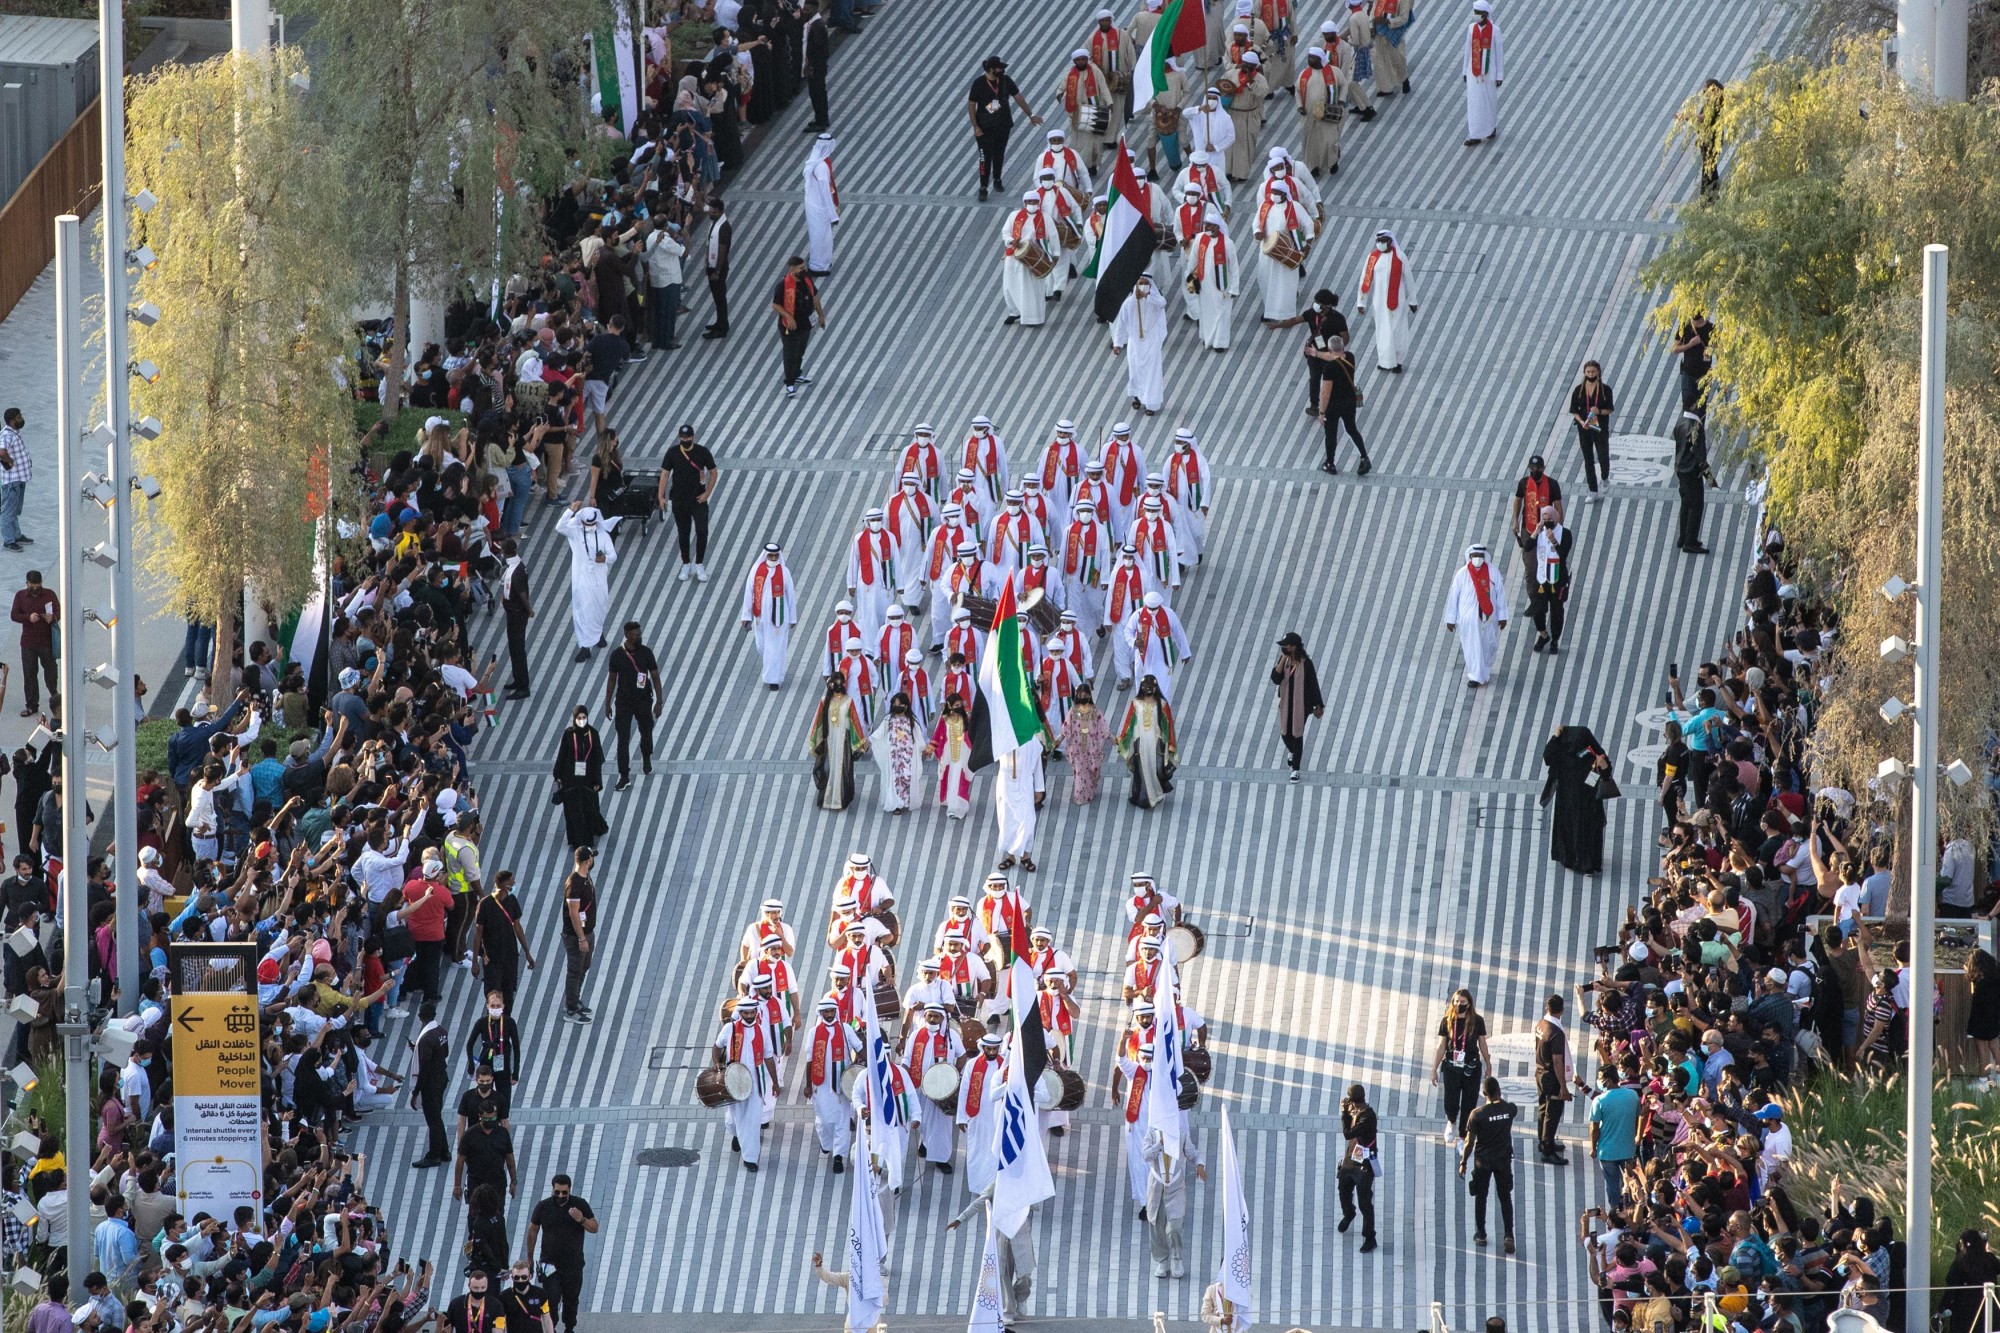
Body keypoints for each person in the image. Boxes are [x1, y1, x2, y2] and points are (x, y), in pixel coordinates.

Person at [526, 1174, 598, 1333]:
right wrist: (530, 1258)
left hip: (573, 1264)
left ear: (569, 1190)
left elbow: (594, 1227)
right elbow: (533, 1231)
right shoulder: (543, 1207)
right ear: (552, 1189)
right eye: (557, 1192)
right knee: (551, 1299)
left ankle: (569, 1327)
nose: (560, 1196)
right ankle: (552, 1328)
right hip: (549, 1264)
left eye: (564, 1192)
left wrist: (581, 1220)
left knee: (571, 1299)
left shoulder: (579, 1204)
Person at [1539, 724, 1613, 874]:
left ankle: (1570, 858)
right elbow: (1606, 772)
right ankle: (1587, 863)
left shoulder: (1562, 751)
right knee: (1587, 831)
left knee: (1569, 829)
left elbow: (1547, 756)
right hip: (1588, 800)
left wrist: (1555, 737)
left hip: (1568, 800)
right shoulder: (1591, 752)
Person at [968, 55, 1042, 200]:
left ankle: (997, 179)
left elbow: (1018, 97)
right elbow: (971, 105)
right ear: (990, 69)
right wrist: (975, 126)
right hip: (984, 128)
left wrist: (1030, 114)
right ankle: (983, 188)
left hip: (1003, 125)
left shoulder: (1005, 80)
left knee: (999, 154)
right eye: (999, 68)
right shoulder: (979, 83)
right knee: (985, 157)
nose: (1002, 69)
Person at [1459, 1077, 1518, 1253]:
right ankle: (1508, 1235)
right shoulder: (1510, 1109)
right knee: (1505, 1197)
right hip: (1503, 1160)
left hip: (1482, 1162)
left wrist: (1463, 1162)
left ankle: (1481, 1234)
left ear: (1484, 1093)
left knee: (1481, 1197)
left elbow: (1469, 1143)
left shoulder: (1477, 1115)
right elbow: (1508, 1107)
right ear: (1499, 1090)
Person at [602, 621, 663, 790]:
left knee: (646, 731)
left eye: (640, 633)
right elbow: (612, 679)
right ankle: (624, 775)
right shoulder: (617, 655)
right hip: (623, 702)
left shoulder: (646, 653)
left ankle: (646, 756)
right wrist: (607, 703)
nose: (639, 636)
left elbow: (655, 677)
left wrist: (659, 701)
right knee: (622, 739)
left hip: (643, 700)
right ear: (627, 635)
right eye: (636, 634)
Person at [553, 504, 616, 664]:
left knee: (599, 607)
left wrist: (605, 559)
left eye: (593, 524)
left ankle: (598, 633)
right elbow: (560, 526)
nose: (591, 527)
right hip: (581, 580)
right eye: (587, 524)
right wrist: (571, 510)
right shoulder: (575, 533)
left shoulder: (603, 535)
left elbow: (613, 555)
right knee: (582, 611)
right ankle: (585, 647)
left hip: (598, 580)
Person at [657, 424, 718, 581]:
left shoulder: (702, 452)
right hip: (679, 499)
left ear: (693, 437)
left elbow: (713, 472)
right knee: (683, 532)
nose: (685, 440)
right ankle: (685, 563)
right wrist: (661, 496)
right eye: (682, 438)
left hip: (698, 499)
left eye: (688, 437)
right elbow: (664, 474)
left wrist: (707, 493)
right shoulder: (672, 453)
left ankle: (699, 564)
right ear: (679, 437)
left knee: (702, 530)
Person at [1442, 545, 1507, 687]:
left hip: (1490, 616)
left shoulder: (1493, 572)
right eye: (1475, 555)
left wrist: (1503, 616)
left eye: (1480, 555)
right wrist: (1451, 619)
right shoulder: (1462, 574)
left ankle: (1484, 669)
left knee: (1490, 644)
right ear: (1470, 557)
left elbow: (1500, 594)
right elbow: (1454, 597)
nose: (1477, 558)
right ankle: (1475, 676)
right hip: (1468, 617)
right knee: (1472, 645)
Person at [1432, 988, 1491, 1139]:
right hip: (1452, 1066)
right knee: (1450, 1100)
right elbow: (1441, 1045)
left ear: (1469, 1003)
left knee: (1469, 1102)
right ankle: (1451, 1121)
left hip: (1471, 1066)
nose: (1459, 1004)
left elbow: (1482, 1044)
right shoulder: (1447, 1020)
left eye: (1463, 1002)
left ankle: (1463, 1135)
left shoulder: (1477, 1021)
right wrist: (1434, 1068)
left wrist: (1488, 1064)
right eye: (1456, 1001)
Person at [1356, 229, 1416, 373]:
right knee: (1383, 331)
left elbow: (1409, 279)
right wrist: (1361, 302)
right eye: (1378, 241)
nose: (1380, 244)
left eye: (1383, 241)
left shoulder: (1400, 257)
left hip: (1397, 302)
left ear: (1390, 241)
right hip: (1379, 302)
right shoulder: (1372, 257)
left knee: (1397, 331)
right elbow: (1365, 279)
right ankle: (1385, 361)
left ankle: (1398, 361)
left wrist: (1412, 300)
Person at [808, 672, 868, 811]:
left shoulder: (848, 701)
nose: (838, 685)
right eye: (835, 683)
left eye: (840, 682)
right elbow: (818, 722)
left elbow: (855, 722)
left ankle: (839, 798)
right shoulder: (824, 701)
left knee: (841, 768)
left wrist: (860, 740)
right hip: (829, 739)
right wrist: (815, 739)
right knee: (828, 766)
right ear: (829, 685)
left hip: (843, 739)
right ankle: (828, 796)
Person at [1111, 273, 1170, 416]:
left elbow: (1162, 303)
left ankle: (1151, 403)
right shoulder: (1129, 303)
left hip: (1151, 343)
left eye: (1145, 283)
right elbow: (1121, 324)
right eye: (1140, 283)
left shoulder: (1155, 301)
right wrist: (1118, 343)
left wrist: (1147, 296)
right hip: (1135, 344)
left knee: (1152, 373)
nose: (1142, 286)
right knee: (1135, 371)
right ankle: (1137, 395)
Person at [741, 542, 798, 687]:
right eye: (770, 555)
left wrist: (792, 618)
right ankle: (773, 669)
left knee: (774, 647)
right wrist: (746, 616)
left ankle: (773, 680)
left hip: (779, 616)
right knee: (762, 646)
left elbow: (790, 595)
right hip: (760, 616)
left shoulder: (784, 572)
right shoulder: (756, 570)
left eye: (775, 555)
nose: (773, 558)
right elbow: (749, 593)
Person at [1117, 674, 1178, 808]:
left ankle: (1157, 793)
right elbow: (1129, 722)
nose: (1148, 689)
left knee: (1156, 768)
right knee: (1142, 769)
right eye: (1145, 686)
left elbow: (1168, 725)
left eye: (1151, 686)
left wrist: (1171, 743)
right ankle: (1143, 798)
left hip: (1156, 743)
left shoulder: (1162, 704)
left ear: (1156, 688)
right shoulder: (1136, 703)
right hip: (1140, 742)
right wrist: (1122, 737)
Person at [551, 706, 607, 850]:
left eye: (584, 717)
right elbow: (562, 755)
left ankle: (596, 827)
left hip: (588, 779)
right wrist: (557, 775)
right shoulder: (569, 735)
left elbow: (597, 759)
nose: (581, 721)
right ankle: (579, 840)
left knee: (590, 807)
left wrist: (597, 781)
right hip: (571, 778)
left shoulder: (593, 734)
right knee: (573, 810)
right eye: (579, 718)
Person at [1271, 631, 1324, 781]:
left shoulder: (1306, 663)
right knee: (1284, 733)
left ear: (1294, 647)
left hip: (1302, 705)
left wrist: (1318, 705)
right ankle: (1293, 751)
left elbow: (1313, 684)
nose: (1284, 648)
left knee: (1297, 733)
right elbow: (1275, 678)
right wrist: (1282, 660)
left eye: (1286, 646)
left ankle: (1295, 769)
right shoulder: (1285, 661)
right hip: (1286, 703)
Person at [771, 255, 827, 397]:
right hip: (789, 327)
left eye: (804, 267)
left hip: (805, 324)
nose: (804, 270)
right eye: (801, 268)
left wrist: (821, 315)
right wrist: (788, 316)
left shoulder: (806, 279)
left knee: (800, 350)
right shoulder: (783, 285)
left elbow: (815, 297)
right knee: (790, 353)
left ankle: (797, 374)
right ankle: (789, 384)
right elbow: (775, 305)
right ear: (792, 268)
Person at [1314, 335, 1370, 474]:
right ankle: (1364, 457)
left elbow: (1325, 393)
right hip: (1349, 401)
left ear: (1329, 348)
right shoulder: (1350, 357)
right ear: (1343, 347)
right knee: (1351, 429)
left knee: (1331, 434)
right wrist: (1317, 354)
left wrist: (1321, 412)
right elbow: (1335, 357)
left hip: (1333, 405)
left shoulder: (1329, 368)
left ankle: (1330, 463)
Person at [1184, 211, 1239, 350]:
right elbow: (1193, 260)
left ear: (1217, 226)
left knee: (1222, 313)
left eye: (1210, 225)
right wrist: (1190, 279)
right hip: (1204, 285)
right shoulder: (1200, 238)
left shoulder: (1227, 243)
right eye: (1206, 224)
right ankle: (1207, 337)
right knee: (1206, 312)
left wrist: (1234, 288)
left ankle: (1220, 343)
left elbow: (1234, 268)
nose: (1207, 227)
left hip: (1222, 286)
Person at [1587, 1063, 1639, 1208]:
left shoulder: (1600, 1100)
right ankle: (1632, 1209)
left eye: (1600, 1078)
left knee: (1612, 1185)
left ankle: (1615, 1211)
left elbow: (1594, 1128)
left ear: (1608, 1080)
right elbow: (1636, 1117)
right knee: (1630, 1181)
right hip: (1628, 1149)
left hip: (1607, 1151)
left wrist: (1593, 1147)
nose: (1599, 1081)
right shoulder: (1632, 1095)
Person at [1525, 506, 1574, 654]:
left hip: (1557, 578)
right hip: (1541, 578)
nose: (1547, 522)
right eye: (1544, 519)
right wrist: (1536, 532)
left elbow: (1563, 555)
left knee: (1556, 610)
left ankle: (1555, 640)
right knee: (1538, 609)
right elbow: (1527, 547)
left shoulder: (1565, 533)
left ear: (1556, 518)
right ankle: (1543, 634)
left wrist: (1553, 541)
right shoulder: (1540, 532)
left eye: (1549, 519)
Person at [1001, 191, 1055, 326]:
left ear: (1038, 203)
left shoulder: (1045, 218)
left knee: (1031, 287)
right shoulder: (1014, 216)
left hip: (1034, 256)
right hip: (1014, 255)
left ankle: (1032, 318)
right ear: (1025, 203)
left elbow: (1053, 237)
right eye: (1029, 202)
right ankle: (1015, 312)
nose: (1032, 204)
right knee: (1009, 285)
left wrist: (1055, 254)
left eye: (1035, 202)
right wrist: (1011, 240)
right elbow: (1006, 232)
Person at [1337, 1083, 1379, 1252]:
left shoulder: (1368, 1117)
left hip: (1364, 1164)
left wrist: (1344, 1113)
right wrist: (1349, 1111)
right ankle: (1349, 1213)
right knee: (1343, 1190)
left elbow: (1348, 1133)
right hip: (1350, 1159)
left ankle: (1370, 1237)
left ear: (1354, 1102)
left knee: (1365, 1202)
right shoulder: (1357, 1110)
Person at [11, 571, 58, 718]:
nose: (35, 589)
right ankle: (32, 705)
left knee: (51, 671)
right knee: (30, 674)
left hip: (46, 641)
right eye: (32, 586)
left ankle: (55, 697)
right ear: (27, 584)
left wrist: (53, 617)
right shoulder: (20, 596)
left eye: (38, 586)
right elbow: (14, 615)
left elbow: (58, 610)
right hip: (28, 643)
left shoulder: (49, 594)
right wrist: (27, 617)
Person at [995, 737, 1045, 872]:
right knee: (1007, 820)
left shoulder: (1030, 739)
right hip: (1006, 785)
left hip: (1024, 785)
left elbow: (1037, 763)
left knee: (1027, 821)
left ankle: (1025, 856)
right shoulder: (1003, 735)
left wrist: (1039, 788)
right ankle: (1010, 856)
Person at [410, 999, 451, 1168]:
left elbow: (424, 1068)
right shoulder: (441, 1031)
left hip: (431, 1083)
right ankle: (444, 1150)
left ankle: (434, 1155)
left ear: (420, 1017)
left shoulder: (425, 1038)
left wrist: (415, 1091)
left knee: (433, 1120)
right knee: (437, 1117)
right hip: (441, 1077)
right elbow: (444, 1052)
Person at [560, 846, 598, 1024]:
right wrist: (582, 938)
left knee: (584, 966)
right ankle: (571, 1009)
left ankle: (575, 999)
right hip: (577, 936)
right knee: (575, 971)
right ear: (587, 860)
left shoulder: (585, 877)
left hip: (587, 932)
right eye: (592, 858)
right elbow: (574, 914)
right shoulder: (574, 884)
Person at [1531, 993, 1571, 1164]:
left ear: (1547, 1008)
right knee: (1552, 1113)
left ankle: (1544, 1141)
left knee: (1543, 1109)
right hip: (1551, 1077)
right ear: (1562, 1010)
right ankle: (1547, 1150)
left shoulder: (1542, 1024)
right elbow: (1557, 1060)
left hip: (1540, 1072)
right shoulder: (1556, 1032)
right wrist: (1563, 1086)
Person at [1568, 361, 1615, 499]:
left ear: (1598, 372)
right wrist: (1581, 422)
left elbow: (1610, 410)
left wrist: (1599, 411)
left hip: (1600, 428)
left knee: (1602, 456)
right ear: (1584, 373)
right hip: (1585, 428)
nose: (1591, 374)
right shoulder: (1578, 390)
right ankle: (1593, 490)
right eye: (1588, 372)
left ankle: (1605, 477)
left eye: (1593, 372)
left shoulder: (1605, 390)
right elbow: (1574, 411)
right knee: (1588, 459)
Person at [869, 691, 921, 813]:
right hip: (894, 756)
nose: (897, 707)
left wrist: (925, 749)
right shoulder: (889, 720)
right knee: (895, 779)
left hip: (908, 755)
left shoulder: (911, 720)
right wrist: (868, 740)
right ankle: (896, 804)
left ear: (906, 706)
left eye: (900, 704)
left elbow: (918, 736)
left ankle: (906, 800)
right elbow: (879, 733)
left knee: (906, 777)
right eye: (895, 704)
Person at [1461, 0, 1503, 145]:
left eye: (1479, 13)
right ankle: (1475, 134)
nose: (1476, 15)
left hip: (1488, 73)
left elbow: (1499, 54)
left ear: (1485, 14)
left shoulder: (1495, 31)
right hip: (1473, 72)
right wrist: (1464, 71)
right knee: (1474, 104)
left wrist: (1499, 76)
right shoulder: (1471, 28)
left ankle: (1491, 128)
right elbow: (1468, 50)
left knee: (1488, 102)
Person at [642, 218, 687, 353]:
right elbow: (682, 251)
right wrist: (687, 231)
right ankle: (666, 340)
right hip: (669, 280)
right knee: (669, 312)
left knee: (659, 312)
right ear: (666, 225)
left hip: (657, 279)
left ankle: (657, 340)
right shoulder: (665, 239)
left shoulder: (651, 237)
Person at [1060, 682, 1109, 803]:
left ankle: (1090, 790)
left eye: (1085, 695)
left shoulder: (1095, 711)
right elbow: (1066, 727)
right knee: (1080, 773)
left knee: (1093, 769)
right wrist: (1058, 740)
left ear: (1089, 695)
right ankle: (1080, 796)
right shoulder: (1073, 711)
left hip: (1092, 748)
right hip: (1077, 748)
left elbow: (1104, 727)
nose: (1083, 697)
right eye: (1080, 695)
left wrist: (1114, 739)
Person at [1508, 455, 1562, 564]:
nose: (1535, 471)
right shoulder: (1524, 483)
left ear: (1543, 468)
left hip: (1547, 528)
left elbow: (1558, 508)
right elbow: (1517, 500)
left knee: (1546, 560)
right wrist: (1515, 521)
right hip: (1528, 528)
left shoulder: (1552, 484)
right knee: (1530, 563)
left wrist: (1557, 529)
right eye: (1532, 469)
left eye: (1538, 469)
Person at [929, 694, 975, 818]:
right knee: (950, 778)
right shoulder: (944, 719)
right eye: (956, 706)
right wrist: (930, 749)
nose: (959, 708)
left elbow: (973, 736)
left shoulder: (967, 719)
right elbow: (937, 736)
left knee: (959, 778)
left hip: (963, 754)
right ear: (949, 706)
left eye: (960, 705)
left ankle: (957, 808)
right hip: (948, 754)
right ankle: (951, 801)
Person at [498, 540, 533, 700]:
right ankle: (518, 680)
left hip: (517, 614)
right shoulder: (517, 565)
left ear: (506, 552)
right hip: (514, 612)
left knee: (518, 649)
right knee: (513, 648)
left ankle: (523, 686)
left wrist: (529, 610)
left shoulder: (516, 570)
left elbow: (522, 594)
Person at [801, 134, 840, 275]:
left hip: (813, 204)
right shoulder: (822, 166)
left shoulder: (815, 160)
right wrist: (833, 214)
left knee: (819, 235)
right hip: (820, 207)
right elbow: (826, 192)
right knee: (821, 236)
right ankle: (819, 266)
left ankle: (820, 262)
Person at [1673, 408, 1710, 554]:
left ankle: (1683, 537)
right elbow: (1700, 456)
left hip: (1681, 469)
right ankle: (1690, 541)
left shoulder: (1680, 420)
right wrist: (1711, 480)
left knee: (1685, 504)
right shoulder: (1696, 427)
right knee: (1696, 505)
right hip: (1692, 472)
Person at [702, 195, 734, 339]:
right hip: (712, 265)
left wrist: (717, 270)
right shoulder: (715, 222)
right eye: (710, 211)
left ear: (721, 211)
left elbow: (722, 250)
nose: (711, 214)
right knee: (717, 296)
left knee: (720, 297)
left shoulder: (724, 227)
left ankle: (722, 327)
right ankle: (720, 322)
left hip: (718, 267)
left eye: (713, 212)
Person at [0, 408, 30, 551]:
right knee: (8, 512)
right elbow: (1, 452)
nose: (21, 418)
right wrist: (10, 461)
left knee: (14, 510)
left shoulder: (14, 433)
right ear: (12, 421)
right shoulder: (6, 435)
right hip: (12, 481)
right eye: (19, 417)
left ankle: (16, 536)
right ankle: (8, 540)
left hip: (19, 480)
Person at [799, 0, 831, 130]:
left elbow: (818, 49)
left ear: (814, 9)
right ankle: (820, 118)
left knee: (818, 93)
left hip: (816, 67)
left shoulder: (817, 26)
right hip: (814, 66)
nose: (804, 13)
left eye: (807, 10)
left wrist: (811, 65)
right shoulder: (812, 24)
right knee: (816, 93)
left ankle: (821, 121)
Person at [1671, 312, 1713, 410]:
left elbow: (1719, 350)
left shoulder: (1711, 329)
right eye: (1694, 322)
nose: (1696, 324)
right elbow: (1675, 349)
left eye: (1698, 323)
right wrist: (1690, 344)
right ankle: (1688, 425)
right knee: (1687, 404)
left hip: (1705, 374)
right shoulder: (1685, 326)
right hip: (1688, 373)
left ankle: (1698, 425)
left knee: (1701, 407)